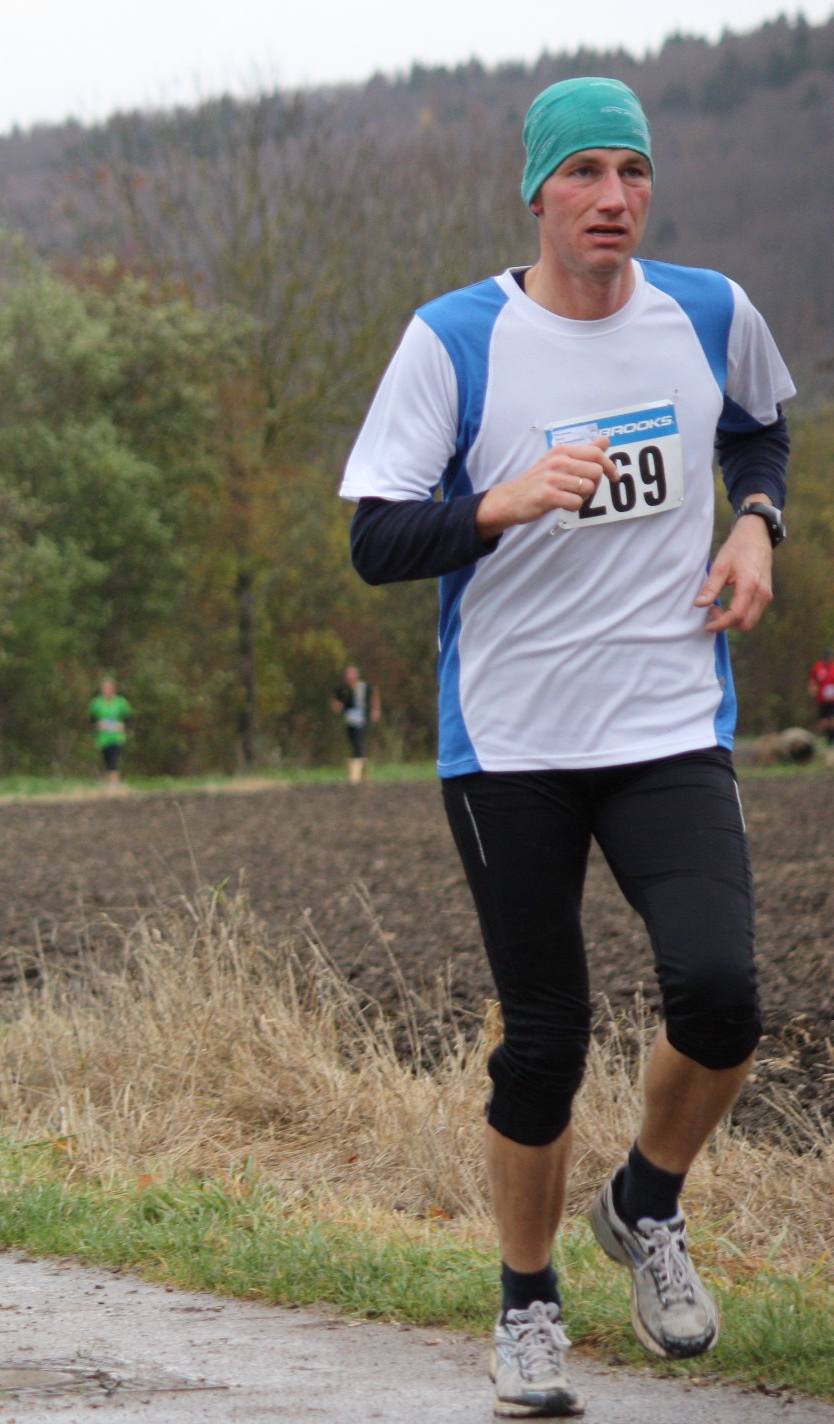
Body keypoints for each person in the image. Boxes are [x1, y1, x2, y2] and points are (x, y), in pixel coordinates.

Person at [341, 77, 791, 1418]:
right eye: (585, 172)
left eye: (632, 171)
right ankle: (527, 1306)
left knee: (722, 994)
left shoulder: (708, 312)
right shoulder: (456, 338)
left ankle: (646, 1202)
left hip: (667, 721)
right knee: (544, 1039)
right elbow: (376, 538)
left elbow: (760, 426)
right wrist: (500, 502)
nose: (612, 197)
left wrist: (756, 522)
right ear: (536, 191)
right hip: (513, 741)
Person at [331, 665, 382, 784]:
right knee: (354, 743)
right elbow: (335, 703)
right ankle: (364, 773)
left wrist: (376, 710)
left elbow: (374, 694)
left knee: (358, 744)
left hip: (362, 719)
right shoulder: (342, 689)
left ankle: (355, 775)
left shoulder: (364, 687)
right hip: (350, 720)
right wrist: (337, 706)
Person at [88, 676, 132, 794]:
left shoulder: (120, 702)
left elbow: (129, 719)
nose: (106, 690)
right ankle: (109, 783)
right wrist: (98, 724)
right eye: (104, 688)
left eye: (108, 688)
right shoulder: (97, 703)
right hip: (103, 738)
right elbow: (91, 719)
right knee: (107, 761)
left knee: (114, 759)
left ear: (113, 689)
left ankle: (113, 786)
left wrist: (122, 726)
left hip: (116, 737)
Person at [809, 651, 834, 745]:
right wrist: (813, 688)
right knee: (823, 722)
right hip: (821, 700)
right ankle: (827, 738)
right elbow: (812, 680)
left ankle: (831, 740)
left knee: (832, 720)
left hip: (832, 700)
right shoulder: (818, 667)